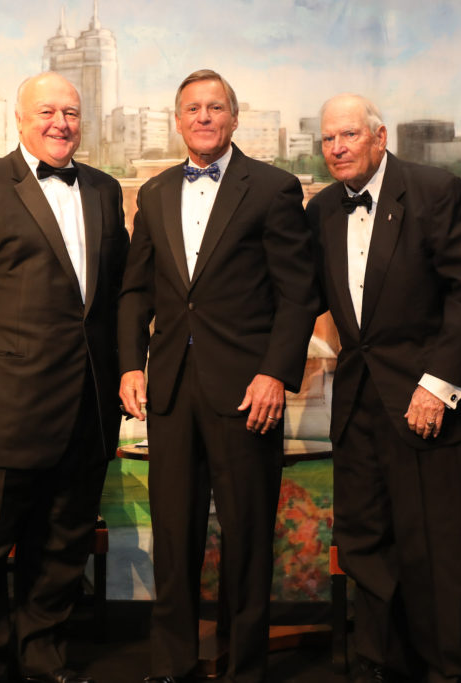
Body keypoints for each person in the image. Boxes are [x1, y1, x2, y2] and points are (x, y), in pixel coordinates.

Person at [0, 71, 128, 683]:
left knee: (63, 546)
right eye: (47, 111)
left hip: (86, 408)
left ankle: (43, 657)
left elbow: (112, 296)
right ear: (20, 119)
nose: (60, 122)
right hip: (0, 409)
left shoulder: (106, 188)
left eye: (71, 112)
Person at [118, 69, 319, 683]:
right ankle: (172, 664)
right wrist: (131, 363)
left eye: (214, 108)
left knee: (248, 537)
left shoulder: (274, 188)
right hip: (172, 393)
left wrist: (275, 375)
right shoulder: (152, 194)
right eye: (191, 109)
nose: (203, 118)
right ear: (177, 121)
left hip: (247, 393)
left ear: (234, 118)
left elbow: (298, 294)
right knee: (173, 540)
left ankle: (244, 667)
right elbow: (134, 292)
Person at [306, 94, 461, 683]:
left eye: (349, 136)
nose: (338, 148)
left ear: (379, 137)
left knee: (435, 551)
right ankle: (376, 662)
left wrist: (436, 388)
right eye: (328, 140)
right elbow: (301, 303)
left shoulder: (434, 190)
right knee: (365, 542)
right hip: (360, 407)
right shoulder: (319, 211)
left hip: (429, 408)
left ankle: (444, 670)